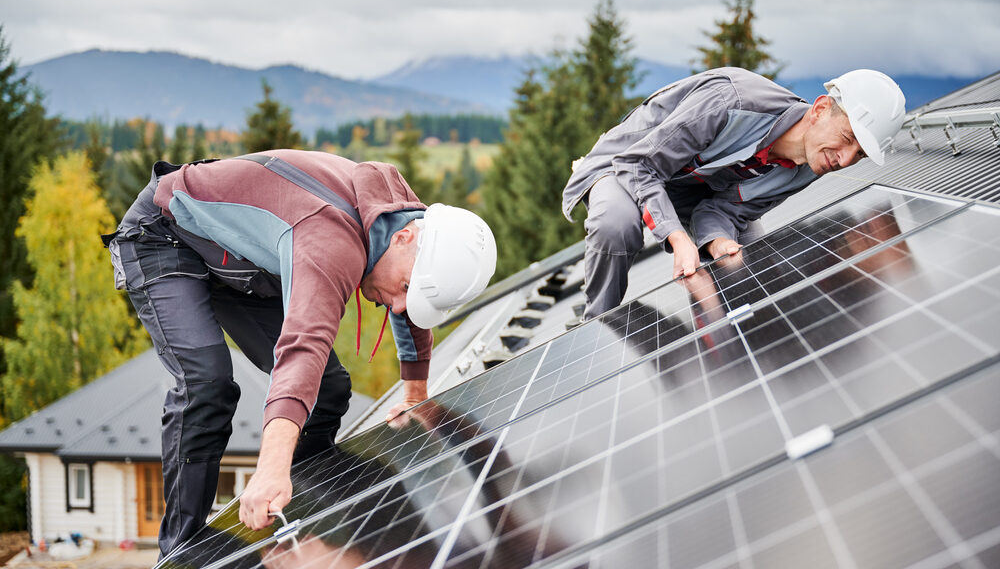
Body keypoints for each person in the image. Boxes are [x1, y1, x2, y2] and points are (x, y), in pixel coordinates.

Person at [104, 149, 497, 555]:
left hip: (242, 259)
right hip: (165, 234)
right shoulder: (332, 240)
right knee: (208, 381)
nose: (398, 307)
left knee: (327, 389)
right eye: (405, 290)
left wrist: (415, 393)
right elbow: (302, 347)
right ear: (404, 238)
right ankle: (182, 546)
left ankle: (307, 497)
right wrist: (270, 467)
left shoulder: (403, 220)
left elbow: (412, 293)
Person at [562, 67, 906, 320]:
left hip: (689, 191)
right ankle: (596, 323)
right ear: (818, 110)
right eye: (847, 139)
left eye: (858, 154)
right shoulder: (731, 101)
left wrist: (718, 244)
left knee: (748, 261)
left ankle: (721, 350)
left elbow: (724, 212)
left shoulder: (811, 163)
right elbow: (640, 165)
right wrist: (678, 237)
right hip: (626, 164)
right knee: (616, 224)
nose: (844, 160)